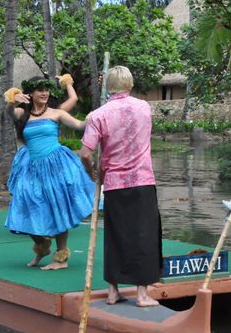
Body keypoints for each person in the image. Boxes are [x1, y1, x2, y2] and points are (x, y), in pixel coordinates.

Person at [79, 66, 162, 307]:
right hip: (142, 180)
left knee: (115, 235)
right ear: (130, 85)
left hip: (114, 183)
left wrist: (93, 172)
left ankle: (113, 290)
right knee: (144, 234)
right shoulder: (145, 108)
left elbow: (85, 153)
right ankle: (142, 294)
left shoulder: (98, 115)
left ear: (108, 87)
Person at [4, 75, 94, 270]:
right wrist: (12, 100)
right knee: (25, 202)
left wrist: (94, 117)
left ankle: (61, 258)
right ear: (30, 94)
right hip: (32, 166)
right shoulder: (22, 114)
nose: (44, 93)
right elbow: (9, 112)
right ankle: (42, 244)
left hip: (56, 164)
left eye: (47, 89)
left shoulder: (56, 113)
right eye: (40, 90)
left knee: (57, 205)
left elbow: (79, 125)